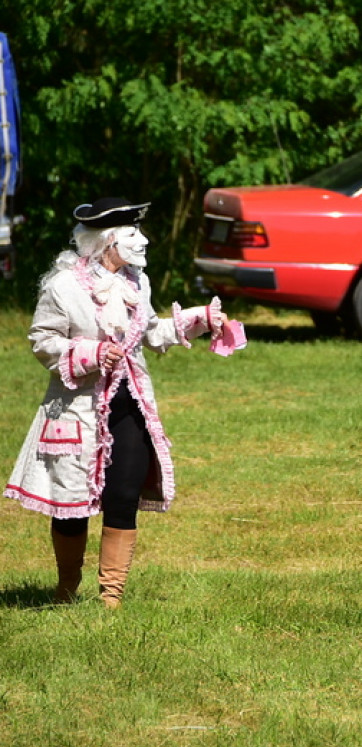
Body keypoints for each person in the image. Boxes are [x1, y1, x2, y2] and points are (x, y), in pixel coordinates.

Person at [4, 198, 229, 607]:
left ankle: (111, 599)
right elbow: (43, 340)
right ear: (107, 242)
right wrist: (88, 354)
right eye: (132, 235)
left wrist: (197, 321)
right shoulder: (64, 286)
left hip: (129, 404)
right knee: (71, 507)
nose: (142, 241)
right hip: (77, 409)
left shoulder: (135, 282)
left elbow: (151, 332)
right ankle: (66, 589)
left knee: (124, 495)